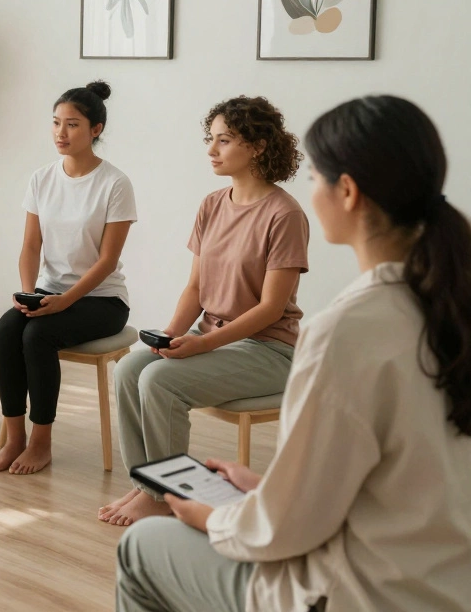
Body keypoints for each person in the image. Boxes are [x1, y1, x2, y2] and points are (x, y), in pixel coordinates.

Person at [115, 95, 471, 612]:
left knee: (141, 549)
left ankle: (163, 502)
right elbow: (381, 483)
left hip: (358, 592)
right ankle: (149, 486)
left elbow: (281, 531)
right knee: (137, 370)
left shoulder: (347, 331)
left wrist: (213, 516)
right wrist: (264, 487)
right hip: (442, 585)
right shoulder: (447, 309)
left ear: (346, 191)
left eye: (316, 178)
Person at [102, 96, 308, 525]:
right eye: (210, 140)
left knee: (160, 382)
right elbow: (195, 287)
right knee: (128, 370)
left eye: (225, 140)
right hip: (211, 337)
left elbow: (271, 309)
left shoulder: (284, 214)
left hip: (269, 350)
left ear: (258, 146)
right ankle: (149, 484)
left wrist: (201, 345)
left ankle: (168, 494)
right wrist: (171, 337)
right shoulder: (213, 203)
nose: (212, 150)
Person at [0, 81, 136, 474]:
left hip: (102, 300)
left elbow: (107, 261)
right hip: (48, 293)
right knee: (6, 330)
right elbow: (30, 246)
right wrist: (27, 291)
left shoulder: (115, 184)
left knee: (38, 336)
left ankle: (41, 442)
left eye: (71, 125)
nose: (60, 133)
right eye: (56, 123)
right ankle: (14, 437)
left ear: (95, 130)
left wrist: (66, 301)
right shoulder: (42, 179)